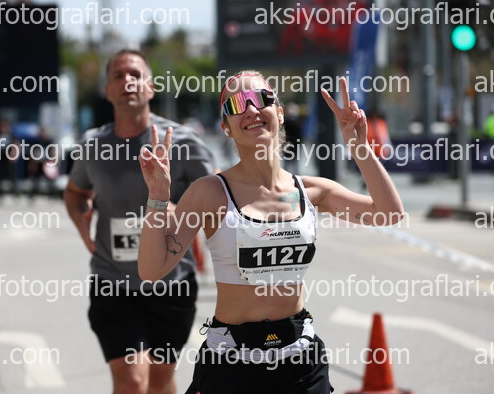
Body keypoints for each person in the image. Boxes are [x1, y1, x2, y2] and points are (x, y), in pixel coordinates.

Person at [137, 72, 404, 393]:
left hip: (300, 360)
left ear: (279, 112)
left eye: (261, 99)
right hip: (231, 361)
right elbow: (152, 270)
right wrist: (157, 196)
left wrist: (359, 147)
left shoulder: (311, 190)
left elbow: (389, 214)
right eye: (237, 104)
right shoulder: (210, 192)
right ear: (226, 126)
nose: (251, 109)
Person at [63, 49, 215, 394]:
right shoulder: (93, 146)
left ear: (151, 86)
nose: (127, 81)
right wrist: (81, 223)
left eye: (135, 75)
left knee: (159, 381)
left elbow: (218, 198)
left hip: (171, 281)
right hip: (112, 281)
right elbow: (74, 193)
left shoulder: (183, 142)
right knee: (131, 379)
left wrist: (175, 211)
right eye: (118, 75)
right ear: (107, 91)